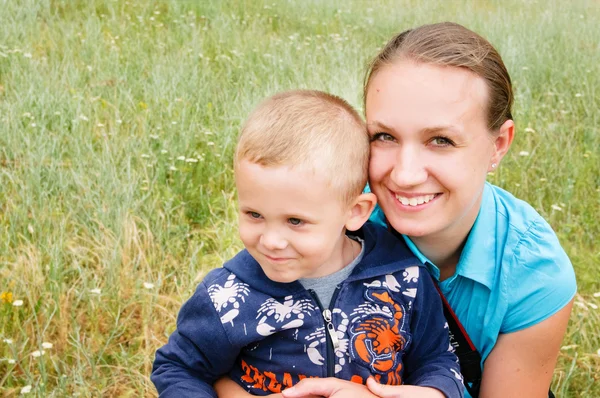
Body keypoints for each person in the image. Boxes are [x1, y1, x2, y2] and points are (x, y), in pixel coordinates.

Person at [214, 22, 577, 398]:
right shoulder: (331, 213)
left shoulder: (533, 273)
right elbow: (216, 358)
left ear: (498, 144)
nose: (404, 175)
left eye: (441, 140)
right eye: (384, 136)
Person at [151, 90, 464, 398]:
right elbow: (178, 368)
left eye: (295, 221)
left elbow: (437, 359)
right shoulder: (228, 297)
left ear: (355, 212)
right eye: (254, 214)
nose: (271, 241)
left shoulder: (404, 279)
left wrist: (434, 391)